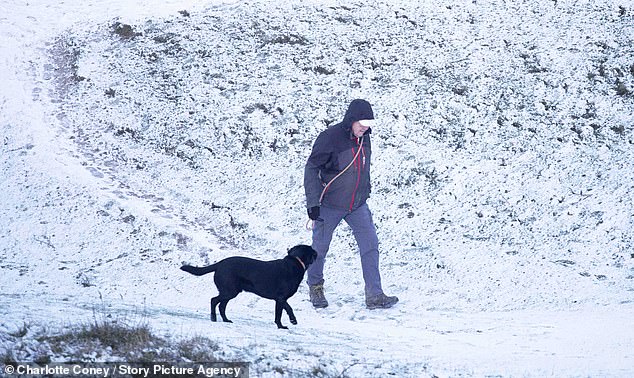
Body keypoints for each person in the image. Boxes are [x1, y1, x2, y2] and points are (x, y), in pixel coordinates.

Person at [304, 99, 399, 310]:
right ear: (351, 120)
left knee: (370, 245)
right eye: (362, 123)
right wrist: (313, 203)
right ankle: (315, 287)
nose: (365, 128)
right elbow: (311, 168)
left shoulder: (364, 137)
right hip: (329, 205)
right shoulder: (329, 138)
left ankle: (374, 294)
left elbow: (363, 167)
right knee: (319, 248)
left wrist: (366, 189)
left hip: (357, 205)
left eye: (368, 124)